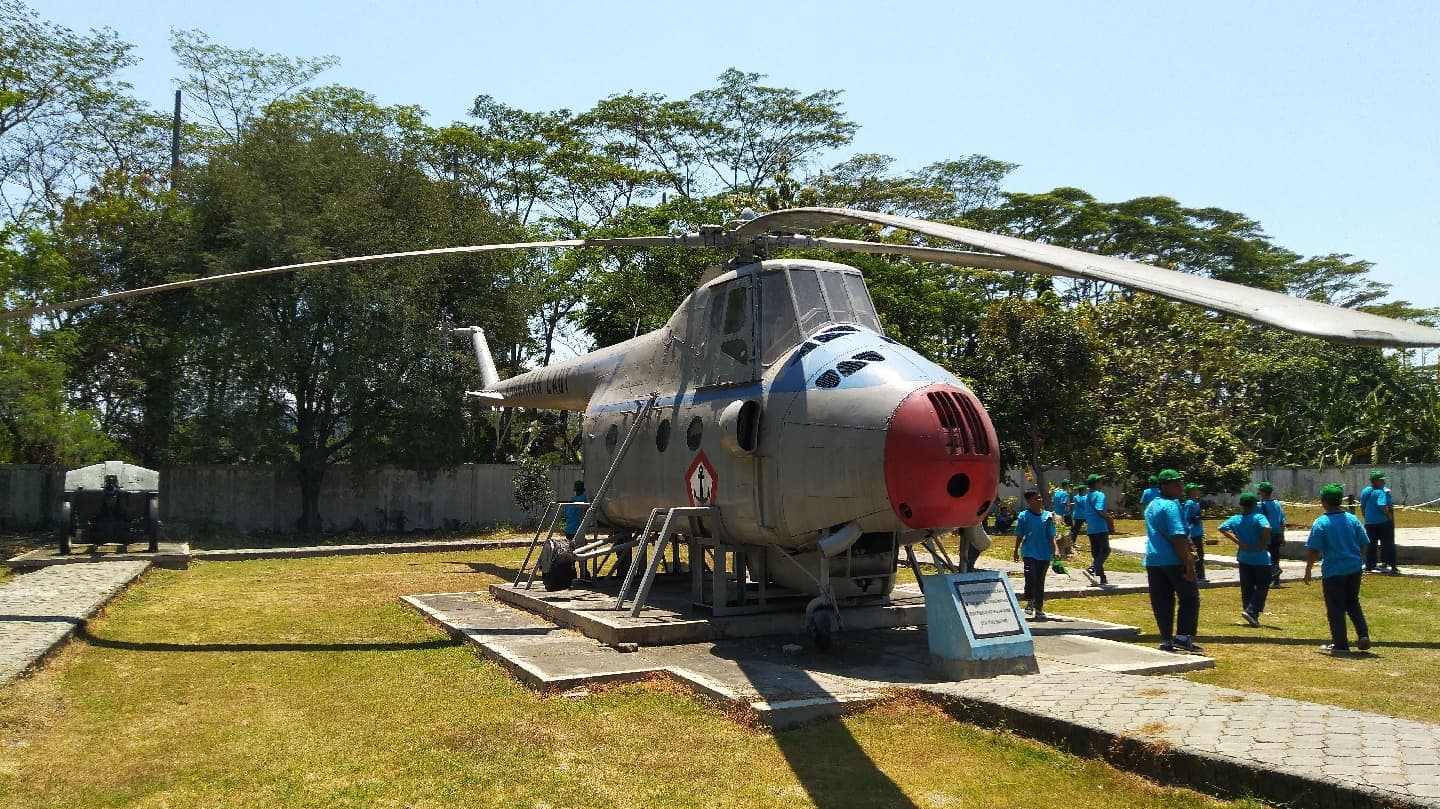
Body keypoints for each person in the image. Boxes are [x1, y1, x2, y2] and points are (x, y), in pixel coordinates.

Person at [1304, 483, 1372, 655]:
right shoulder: (1352, 519)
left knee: (1335, 608)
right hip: (1354, 568)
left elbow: (1314, 549)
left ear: (1324, 502)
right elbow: (1364, 542)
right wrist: (1361, 559)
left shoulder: (1322, 522)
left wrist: (1308, 569)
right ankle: (1363, 634)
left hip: (1334, 571)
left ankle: (1340, 644)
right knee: (1352, 602)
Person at [1144, 469, 1202, 653]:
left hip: (1154, 559)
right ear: (1164, 486)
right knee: (1190, 597)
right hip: (1173, 559)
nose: (1180, 487)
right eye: (1175, 484)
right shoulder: (1172, 505)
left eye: (1180, 483)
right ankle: (1183, 636)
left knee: (1162, 600)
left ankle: (1166, 639)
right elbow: (1178, 536)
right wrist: (1188, 563)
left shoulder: (1152, 505)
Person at [1219, 492, 1272, 627]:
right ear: (1254, 505)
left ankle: (1250, 612)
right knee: (1262, 586)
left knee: (1247, 586)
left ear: (1241, 505)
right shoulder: (1258, 517)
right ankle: (1252, 610)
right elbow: (1267, 527)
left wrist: (1238, 542)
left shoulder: (1235, 519)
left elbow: (1222, 528)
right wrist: (1262, 542)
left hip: (1244, 556)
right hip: (1260, 558)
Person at [1011, 489, 1058, 620]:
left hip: (1044, 553)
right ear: (1029, 501)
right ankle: (1030, 600)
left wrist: (1056, 549)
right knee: (1030, 577)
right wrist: (1015, 550)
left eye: (1040, 497)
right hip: (1029, 552)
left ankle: (1039, 608)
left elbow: (1052, 535)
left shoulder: (1048, 516)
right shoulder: (1023, 516)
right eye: (1036, 498)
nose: (1039, 500)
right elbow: (1019, 534)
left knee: (1040, 581)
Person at [1359, 470, 1397, 574]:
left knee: (1371, 544)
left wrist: (1365, 516)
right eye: (1382, 480)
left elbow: (1362, 505)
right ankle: (1389, 564)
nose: (1384, 482)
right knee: (1387, 543)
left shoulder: (1366, 490)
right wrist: (1389, 516)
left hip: (1369, 523)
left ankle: (1370, 565)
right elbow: (1381, 505)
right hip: (1382, 522)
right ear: (1376, 481)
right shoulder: (1381, 492)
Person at [1081, 473, 1115, 587]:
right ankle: (1092, 569)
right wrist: (1109, 519)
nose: (1101, 483)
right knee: (1105, 550)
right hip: (1100, 526)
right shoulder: (1100, 495)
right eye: (1099, 481)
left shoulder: (1086, 497)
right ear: (1095, 483)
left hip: (1091, 527)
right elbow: (1100, 510)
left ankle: (1102, 578)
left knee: (1096, 553)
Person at [1256, 482, 1287, 586]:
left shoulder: (1259, 506)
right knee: (1275, 556)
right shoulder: (1277, 504)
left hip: (1266, 534)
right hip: (1277, 533)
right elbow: (1282, 521)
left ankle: (1271, 574)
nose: (1258, 492)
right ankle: (1276, 581)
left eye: (1259, 490)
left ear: (1263, 492)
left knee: (1266, 557)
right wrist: (1283, 535)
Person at [1183, 482, 1207, 581]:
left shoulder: (1196, 502)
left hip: (1198, 532)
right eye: (1197, 490)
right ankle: (1198, 575)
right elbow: (1186, 518)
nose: (1199, 491)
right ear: (1192, 492)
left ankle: (1200, 575)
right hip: (1193, 533)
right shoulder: (1189, 503)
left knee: (1200, 554)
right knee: (1197, 554)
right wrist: (1194, 519)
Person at [1068, 479, 1091, 559]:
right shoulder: (1086, 498)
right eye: (1085, 490)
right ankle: (1093, 542)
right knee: (1091, 528)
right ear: (1083, 490)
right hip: (1085, 516)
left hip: (1077, 515)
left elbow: (1077, 503)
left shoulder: (1075, 497)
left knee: (1075, 531)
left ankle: (1072, 543)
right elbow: (1086, 505)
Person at [1051, 479, 1073, 555]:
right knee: (1069, 530)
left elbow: (1053, 501)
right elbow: (1063, 504)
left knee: (1059, 531)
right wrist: (1070, 505)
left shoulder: (1056, 492)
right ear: (1066, 486)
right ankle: (1068, 548)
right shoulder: (1065, 493)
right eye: (1069, 486)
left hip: (1056, 514)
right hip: (1064, 514)